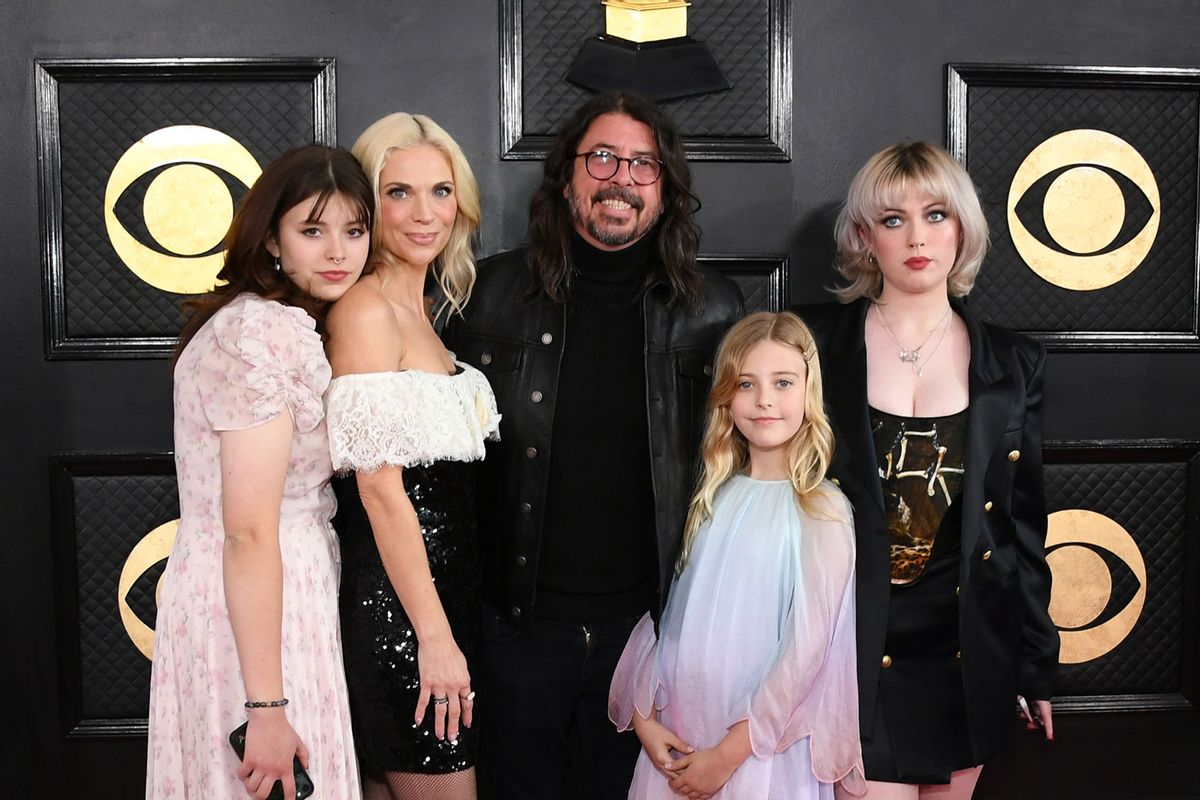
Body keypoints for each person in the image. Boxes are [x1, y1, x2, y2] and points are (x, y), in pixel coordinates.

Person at [441, 90, 743, 799]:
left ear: (665, 191)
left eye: (643, 164)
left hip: (647, 637)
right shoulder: (486, 297)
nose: (621, 178)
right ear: (568, 176)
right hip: (515, 632)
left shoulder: (716, 309)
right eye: (602, 157)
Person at [799, 141, 1058, 800]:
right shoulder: (812, 343)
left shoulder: (1014, 361)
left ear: (963, 228)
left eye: (936, 214)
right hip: (852, 648)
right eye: (893, 220)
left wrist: (1034, 666)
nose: (916, 236)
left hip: (970, 650)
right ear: (864, 237)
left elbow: (1024, 527)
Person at [146, 144, 372, 800]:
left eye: (353, 231)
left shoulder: (259, 322)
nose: (337, 251)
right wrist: (267, 709)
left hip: (254, 595)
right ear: (271, 240)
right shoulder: (264, 334)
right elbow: (248, 529)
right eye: (312, 230)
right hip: (257, 607)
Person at [608, 311, 866, 800]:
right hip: (679, 739)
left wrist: (726, 757)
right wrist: (644, 718)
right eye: (746, 383)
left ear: (809, 392)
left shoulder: (821, 509)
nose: (764, 399)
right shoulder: (709, 496)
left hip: (757, 753)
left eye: (783, 382)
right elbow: (665, 616)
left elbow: (807, 653)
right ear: (726, 395)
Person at [324, 112, 497, 800]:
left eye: (440, 191)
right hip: (401, 614)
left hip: (441, 604)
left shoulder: (421, 309)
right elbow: (380, 493)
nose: (424, 214)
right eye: (399, 193)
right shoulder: (365, 312)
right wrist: (432, 636)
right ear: (367, 205)